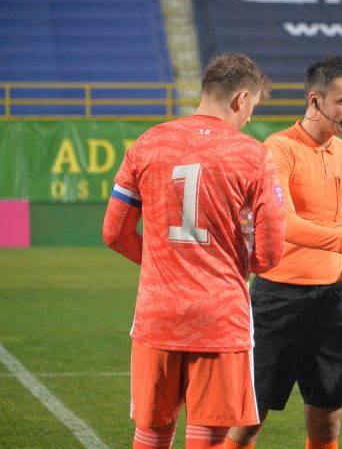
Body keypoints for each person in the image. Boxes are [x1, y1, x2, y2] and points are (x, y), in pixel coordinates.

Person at [102, 53, 286, 449]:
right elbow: (271, 253)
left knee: (152, 431)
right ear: (240, 99)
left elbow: (114, 233)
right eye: (252, 106)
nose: (250, 118)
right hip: (221, 319)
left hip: (158, 314)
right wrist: (230, 263)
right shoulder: (254, 155)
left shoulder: (148, 142)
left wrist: (161, 262)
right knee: (210, 434)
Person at [225, 56, 342, 449]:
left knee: (327, 427)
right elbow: (283, 223)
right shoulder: (278, 148)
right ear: (315, 100)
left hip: (330, 301)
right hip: (276, 301)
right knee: (247, 423)